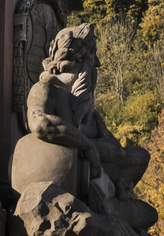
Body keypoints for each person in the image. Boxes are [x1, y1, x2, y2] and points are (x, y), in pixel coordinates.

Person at [22, 24, 157, 232]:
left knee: (140, 159)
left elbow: (116, 150)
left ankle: (117, 194)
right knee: (146, 216)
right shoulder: (45, 87)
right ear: (83, 61)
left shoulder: (85, 104)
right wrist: (87, 146)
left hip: (100, 184)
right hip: (72, 186)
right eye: (91, 62)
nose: (93, 70)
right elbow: (39, 123)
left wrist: (93, 150)